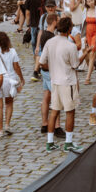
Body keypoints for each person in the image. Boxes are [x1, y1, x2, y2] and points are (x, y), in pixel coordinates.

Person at [39, 15, 82, 153]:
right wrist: (85, 53)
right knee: (70, 112)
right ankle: (68, 142)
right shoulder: (70, 46)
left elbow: (42, 62)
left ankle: (50, 142)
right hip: (67, 82)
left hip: (54, 81)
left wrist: (52, 68)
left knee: (54, 112)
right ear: (69, 29)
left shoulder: (50, 42)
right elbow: (75, 65)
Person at [38, 10, 65, 140]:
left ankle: (44, 123)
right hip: (50, 70)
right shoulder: (51, 38)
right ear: (54, 21)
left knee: (46, 96)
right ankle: (56, 126)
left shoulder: (44, 34)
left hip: (45, 70)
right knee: (56, 98)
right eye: (58, 21)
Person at [0, 30, 24, 137]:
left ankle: (0, 130)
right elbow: (16, 67)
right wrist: (21, 79)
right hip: (10, 80)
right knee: (9, 103)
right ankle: (7, 125)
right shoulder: (12, 52)